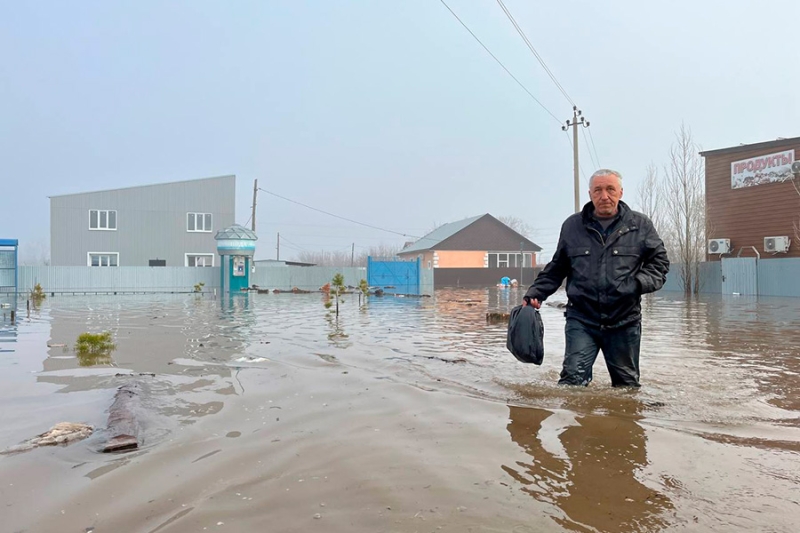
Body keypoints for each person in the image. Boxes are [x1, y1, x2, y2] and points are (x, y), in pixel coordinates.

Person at [523, 169, 669, 387]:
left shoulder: (640, 225)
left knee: (626, 388)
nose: (604, 196)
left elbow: (660, 264)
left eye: (610, 189)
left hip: (624, 320)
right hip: (582, 318)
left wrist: (636, 284)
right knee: (572, 382)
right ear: (590, 193)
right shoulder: (572, 226)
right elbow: (557, 267)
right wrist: (536, 293)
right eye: (598, 190)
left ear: (620, 192)